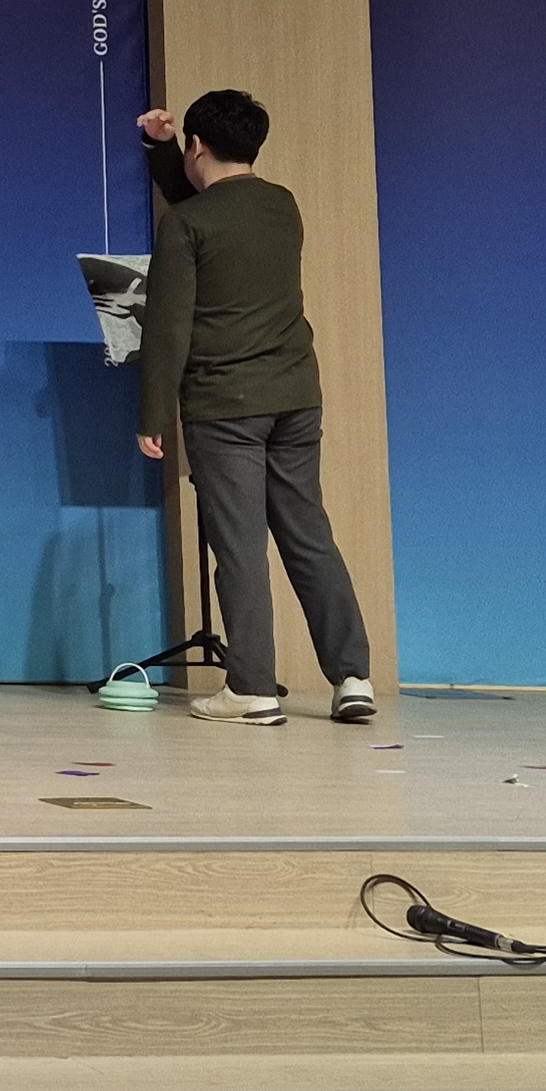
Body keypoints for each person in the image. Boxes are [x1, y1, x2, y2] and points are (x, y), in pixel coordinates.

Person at [138, 90, 375, 728]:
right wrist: (164, 151)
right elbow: (214, 209)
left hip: (225, 405)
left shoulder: (185, 226)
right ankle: (352, 677)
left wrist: (153, 414)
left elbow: (168, 326)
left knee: (240, 547)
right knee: (308, 536)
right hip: (295, 396)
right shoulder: (282, 205)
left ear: (197, 146)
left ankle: (251, 688)